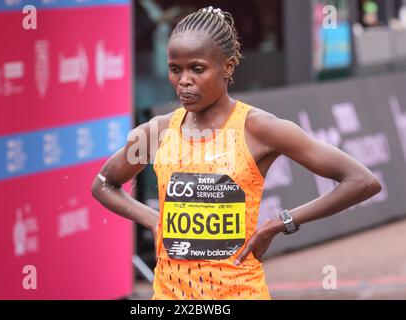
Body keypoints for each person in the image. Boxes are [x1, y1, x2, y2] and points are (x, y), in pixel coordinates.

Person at [91, 6, 382, 300]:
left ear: (228, 67)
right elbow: (104, 184)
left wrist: (279, 223)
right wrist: (155, 220)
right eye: (175, 69)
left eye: (197, 68)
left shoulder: (259, 128)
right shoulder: (158, 131)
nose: (184, 80)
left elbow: (361, 181)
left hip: (239, 293)